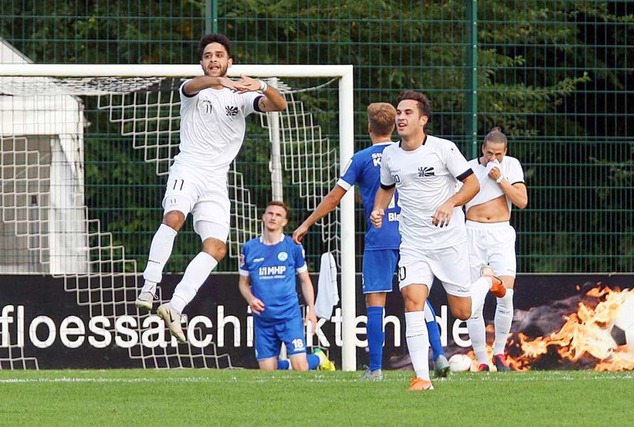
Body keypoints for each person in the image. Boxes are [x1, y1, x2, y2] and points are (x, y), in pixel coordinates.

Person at [134, 33, 288, 343]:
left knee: (217, 247)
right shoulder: (193, 89)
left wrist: (258, 86)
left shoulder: (242, 96)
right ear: (202, 62)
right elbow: (192, 86)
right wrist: (217, 83)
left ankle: (175, 306)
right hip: (189, 169)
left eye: (219, 55)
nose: (213, 59)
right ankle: (149, 285)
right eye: (208, 56)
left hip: (217, 180)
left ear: (230, 62)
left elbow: (279, 104)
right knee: (174, 217)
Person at [292, 102, 449, 380]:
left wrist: (306, 223)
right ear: (394, 126)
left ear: (368, 128)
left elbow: (334, 198)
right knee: (417, 296)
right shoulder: (406, 154)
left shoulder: (362, 158)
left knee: (376, 301)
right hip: (411, 235)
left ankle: (375, 369)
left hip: (380, 237)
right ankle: (438, 354)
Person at [370, 90, 505, 391]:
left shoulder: (443, 149)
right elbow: (386, 187)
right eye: (399, 113)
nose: (401, 117)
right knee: (412, 300)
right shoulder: (390, 155)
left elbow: (471, 184)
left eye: (407, 113)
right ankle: (422, 377)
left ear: (423, 119)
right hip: (414, 244)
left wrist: (451, 203)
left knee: (463, 312)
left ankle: (486, 280)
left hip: (449, 242)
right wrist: (379, 208)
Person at [239, 201, 335, 371]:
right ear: (263, 217)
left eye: (278, 215)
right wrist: (250, 298)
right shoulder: (249, 248)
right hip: (263, 319)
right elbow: (243, 283)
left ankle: (318, 358)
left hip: (288, 316)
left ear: (284, 222)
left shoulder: (293, 248)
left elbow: (305, 280)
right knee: (268, 372)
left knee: (301, 367)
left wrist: (311, 310)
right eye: (270, 213)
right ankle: (293, 363)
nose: (273, 218)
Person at [464, 128, 528, 372]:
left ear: (505, 152)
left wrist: (500, 178)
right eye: (489, 153)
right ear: (482, 150)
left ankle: (499, 353)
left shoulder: (511, 166)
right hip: (473, 233)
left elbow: (522, 201)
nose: (493, 158)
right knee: (474, 301)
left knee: (506, 294)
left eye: (498, 154)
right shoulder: (468, 168)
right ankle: (481, 359)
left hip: (501, 233)